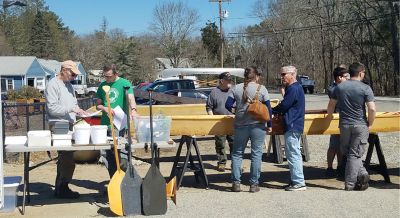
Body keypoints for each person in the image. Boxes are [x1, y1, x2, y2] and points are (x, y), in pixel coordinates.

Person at [327, 62, 376, 191]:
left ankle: (363, 174)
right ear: (360, 73)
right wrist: (370, 123)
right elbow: (371, 109)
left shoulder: (340, 87)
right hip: (360, 124)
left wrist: (329, 117)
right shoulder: (365, 88)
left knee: (348, 152)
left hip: (344, 125)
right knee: (355, 154)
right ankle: (350, 184)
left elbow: (331, 105)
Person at [225, 66, 272, 193]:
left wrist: (237, 111)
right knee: (256, 154)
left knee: (237, 154)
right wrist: (270, 125)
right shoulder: (262, 89)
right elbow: (268, 108)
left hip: (240, 125)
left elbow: (227, 105)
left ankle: (236, 183)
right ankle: (254, 184)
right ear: (256, 76)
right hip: (258, 125)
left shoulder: (236, 88)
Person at [46, 60, 88, 199]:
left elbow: (74, 104)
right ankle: (61, 188)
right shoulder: (53, 84)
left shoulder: (69, 85)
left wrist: (79, 111)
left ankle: (61, 186)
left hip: (69, 124)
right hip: (58, 125)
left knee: (67, 158)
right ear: (63, 70)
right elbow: (52, 108)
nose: (74, 77)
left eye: (75, 75)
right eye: (72, 74)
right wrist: (71, 109)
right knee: (67, 157)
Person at [96, 64, 138, 178]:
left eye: (109, 76)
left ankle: (125, 181)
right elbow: (98, 105)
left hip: (120, 123)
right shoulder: (102, 85)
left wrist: (133, 109)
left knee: (121, 153)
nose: (107, 79)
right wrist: (104, 108)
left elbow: (130, 98)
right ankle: (113, 180)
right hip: (105, 124)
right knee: (107, 155)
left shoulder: (124, 83)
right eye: (105, 76)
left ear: (116, 74)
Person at [272, 65, 306, 191]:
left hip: (292, 125)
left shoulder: (293, 88)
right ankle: (296, 180)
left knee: (293, 154)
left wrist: (271, 110)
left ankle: (298, 182)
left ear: (292, 74)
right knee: (293, 153)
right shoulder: (294, 88)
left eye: (283, 74)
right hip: (294, 124)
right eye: (281, 74)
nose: (281, 77)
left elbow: (285, 105)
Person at [206, 72, 234, 172]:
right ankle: (222, 163)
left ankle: (235, 164)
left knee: (234, 144)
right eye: (228, 80)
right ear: (222, 81)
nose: (230, 82)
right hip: (219, 122)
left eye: (231, 80)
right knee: (220, 144)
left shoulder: (233, 91)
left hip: (232, 122)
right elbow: (209, 107)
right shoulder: (214, 92)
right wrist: (212, 119)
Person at [326, 67, 350, 177]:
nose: (348, 78)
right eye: (346, 76)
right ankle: (330, 168)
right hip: (336, 120)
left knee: (342, 146)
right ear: (339, 77)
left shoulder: (347, 87)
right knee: (333, 146)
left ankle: (340, 167)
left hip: (346, 119)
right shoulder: (333, 89)